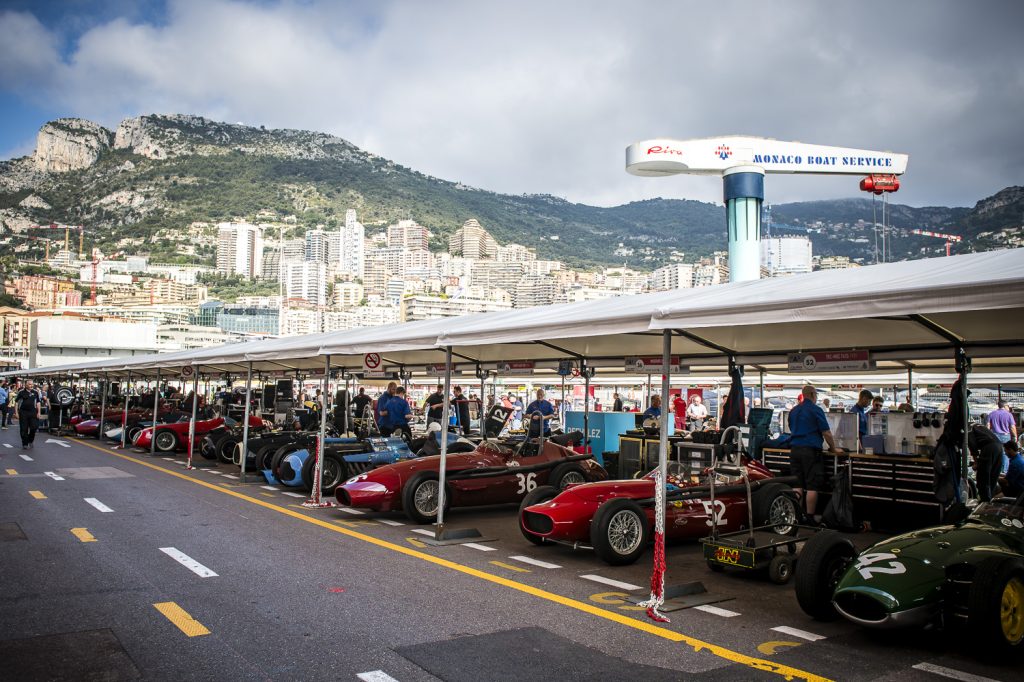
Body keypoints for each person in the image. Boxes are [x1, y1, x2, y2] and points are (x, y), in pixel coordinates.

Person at [788, 385, 842, 523]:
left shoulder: (793, 411)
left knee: (797, 484)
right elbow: (826, 433)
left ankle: (797, 516)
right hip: (810, 451)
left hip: (794, 450)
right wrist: (834, 448)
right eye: (816, 395)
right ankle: (810, 517)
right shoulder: (816, 410)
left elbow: (791, 428)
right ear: (813, 394)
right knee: (812, 485)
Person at [969, 423, 1004, 502]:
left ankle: (985, 502)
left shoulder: (969, 429)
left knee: (983, 477)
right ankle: (991, 500)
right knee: (993, 476)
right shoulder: (981, 427)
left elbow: (972, 446)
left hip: (989, 448)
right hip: (999, 447)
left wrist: (976, 462)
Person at [16, 379, 43, 449]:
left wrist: (39, 412)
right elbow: (16, 402)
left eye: (32, 384)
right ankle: (25, 443)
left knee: (34, 427)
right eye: (30, 384)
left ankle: (30, 440)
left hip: (33, 412)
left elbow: (38, 402)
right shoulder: (21, 392)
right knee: (23, 429)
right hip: (23, 412)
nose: (31, 385)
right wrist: (16, 412)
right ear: (26, 385)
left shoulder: (36, 392)